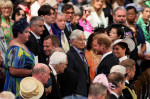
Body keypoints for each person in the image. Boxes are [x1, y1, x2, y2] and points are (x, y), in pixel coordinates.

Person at [4, 18, 34, 99]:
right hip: (17, 85)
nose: (29, 34)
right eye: (26, 32)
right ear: (19, 33)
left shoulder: (21, 44)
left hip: (24, 83)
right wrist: (32, 71)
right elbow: (13, 71)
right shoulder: (16, 49)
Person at [67, 29, 90, 97]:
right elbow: (70, 77)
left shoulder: (82, 54)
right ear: (73, 41)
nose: (83, 42)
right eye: (80, 39)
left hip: (85, 90)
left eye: (84, 40)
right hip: (76, 92)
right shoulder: (69, 55)